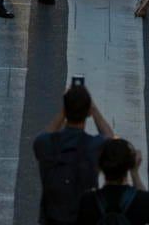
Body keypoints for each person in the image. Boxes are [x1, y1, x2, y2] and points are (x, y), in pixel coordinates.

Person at [35, 82, 117, 225]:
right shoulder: (93, 146)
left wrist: (64, 111)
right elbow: (110, 138)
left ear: (65, 111)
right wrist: (94, 108)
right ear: (88, 113)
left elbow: (41, 138)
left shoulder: (47, 145)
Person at [80, 139, 149, 225]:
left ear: (100, 165)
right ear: (130, 164)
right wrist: (134, 173)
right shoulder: (145, 200)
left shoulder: (87, 201)